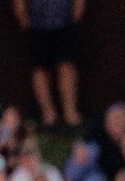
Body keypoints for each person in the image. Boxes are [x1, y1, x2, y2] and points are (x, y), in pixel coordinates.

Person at [13, 0, 85, 129]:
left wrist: (78, 8)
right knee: (39, 69)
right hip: (36, 22)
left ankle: (70, 113)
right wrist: (21, 13)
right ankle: (48, 115)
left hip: (65, 20)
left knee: (66, 66)